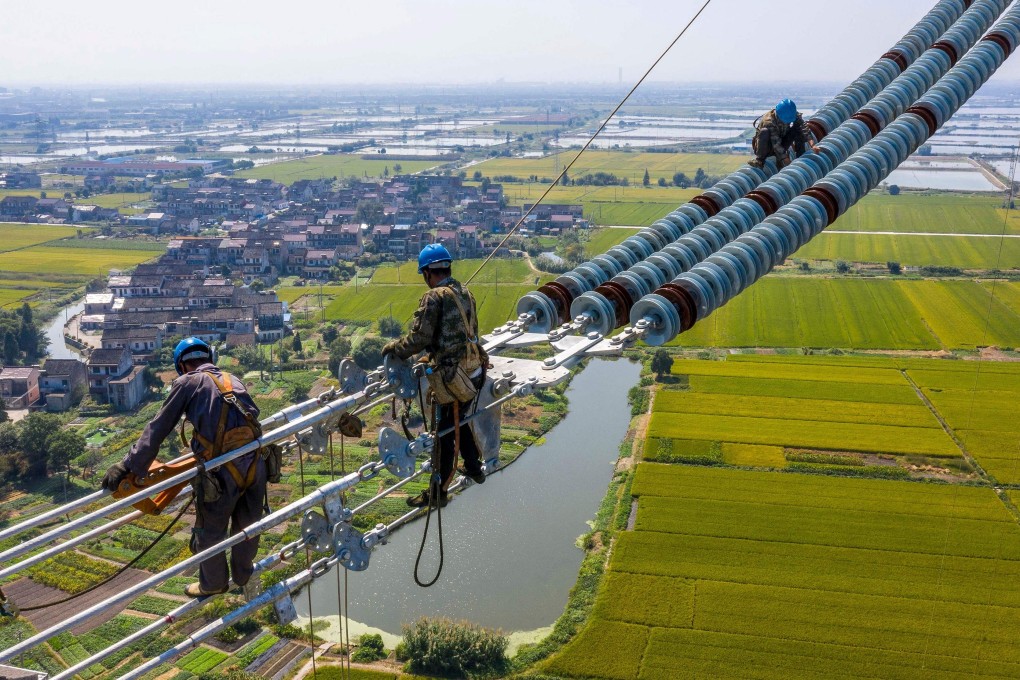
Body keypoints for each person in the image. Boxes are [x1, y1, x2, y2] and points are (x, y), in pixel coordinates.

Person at [102, 337, 266, 598]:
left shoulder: (187, 382)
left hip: (221, 472)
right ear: (209, 358)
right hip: (255, 464)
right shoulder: (233, 379)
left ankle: (213, 584)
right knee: (248, 524)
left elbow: (158, 427)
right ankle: (243, 573)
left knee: (210, 529)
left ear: (182, 365)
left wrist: (128, 465)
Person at [382, 244, 487, 508]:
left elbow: (421, 337)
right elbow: (464, 332)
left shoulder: (434, 297)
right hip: (473, 368)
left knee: (444, 434)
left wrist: (396, 348)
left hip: (452, 378)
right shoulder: (465, 292)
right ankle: (474, 467)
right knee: (459, 420)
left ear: (428, 273)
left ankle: (437, 492)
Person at [749, 98, 820, 169]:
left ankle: (800, 156)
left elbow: (803, 126)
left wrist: (813, 145)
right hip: (767, 147)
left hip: (781, 141)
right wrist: (787, 161)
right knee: (764, 132)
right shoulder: (769, 121)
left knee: (797, 128)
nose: (786, 122)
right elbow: (776, 143)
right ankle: (760, 160)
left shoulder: (791, 113)